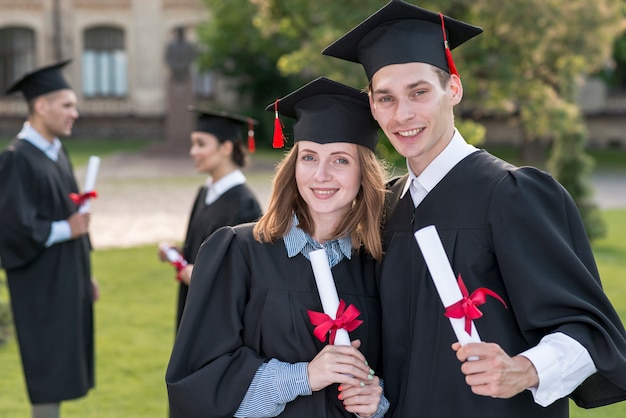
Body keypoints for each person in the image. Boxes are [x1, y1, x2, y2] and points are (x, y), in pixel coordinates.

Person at [322, 1, 626, 417]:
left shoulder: (512, 195)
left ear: (454, 89)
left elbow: (590, 332)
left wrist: (525, 368)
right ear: (373, 107)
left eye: (419, 92)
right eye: (386, 99)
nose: (403, 114)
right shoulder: (384, 208)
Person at [166, 77, 390, 417]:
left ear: (364, 173)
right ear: (294, 166)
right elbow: (197, 381)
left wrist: (377, 400)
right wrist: (304, 377)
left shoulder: (376, 266)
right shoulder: (239, 252)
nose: (321, 175)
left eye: (341, 160)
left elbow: (403, 373)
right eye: (309, 157)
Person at [0, 60, 96, 418]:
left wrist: (84, 273)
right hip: (38, 283)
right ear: (41, 106)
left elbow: (70, 215)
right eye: (67, 105)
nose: (76, 112)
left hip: (64, 276)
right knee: (46, 369)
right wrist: (65, 229)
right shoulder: (16, 159)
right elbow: (11, 228)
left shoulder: (55, 152)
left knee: (61, 367)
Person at [158, 107, 263, 329]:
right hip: (192, 307)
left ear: (226, 147)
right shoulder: (205, 192)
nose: (193, 151)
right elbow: (203, 251)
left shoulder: (245, 204)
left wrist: (200, 275)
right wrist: (179, 254)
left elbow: (248, 275)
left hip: (219, 323)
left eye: (201, 144)